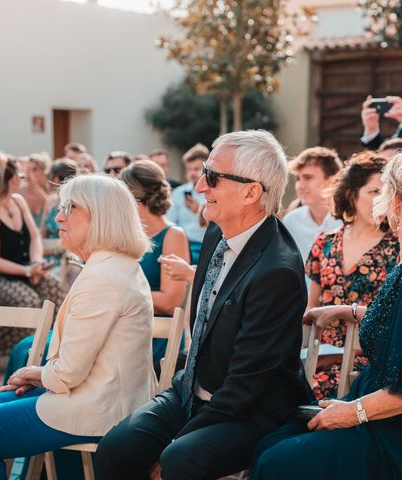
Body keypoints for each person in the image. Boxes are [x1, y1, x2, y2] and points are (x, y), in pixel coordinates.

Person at [96, 130, 313, 480]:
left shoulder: (277, 272)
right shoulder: (218, 230)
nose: (198, 187)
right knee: (116, 450)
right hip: (193, 388)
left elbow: (245, 386)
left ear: (251, 192)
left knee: (179, 459)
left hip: (253, 410)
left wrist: (172, 447)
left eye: (211, 177)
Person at [252, 144, 402, 479]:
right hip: (388, 409)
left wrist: (352, 413)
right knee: (275, 443)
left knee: (278, 462)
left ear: (397, 201)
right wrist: (349, 311)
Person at [0, 174, 155, 480]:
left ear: (100, 216)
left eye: (70, 207)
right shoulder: (118, 265)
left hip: (95, 407)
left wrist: (32, 374)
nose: (58, 216)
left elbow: (68, 373)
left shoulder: (102, 276)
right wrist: (40, 376)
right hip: (97, 394)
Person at [305, 151, 399, 399]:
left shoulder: (400, 247)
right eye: (374, 191)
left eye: (387, 193)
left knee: (315, 390)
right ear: (351, 194)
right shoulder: (325, 242)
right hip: (320, 356)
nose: (382, 200)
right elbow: (311, 306)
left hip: (371, 359)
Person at [0, 152, 66, 378]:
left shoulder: (18, 201)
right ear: (11, 180)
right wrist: (27, 270)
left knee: (55, 291)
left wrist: (36, 263)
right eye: (19, 176)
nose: (21, 180)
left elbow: (34, 239)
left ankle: (50, 351)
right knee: (27, 301)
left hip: (24, 270)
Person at [120, 160, 190, 365]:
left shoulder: (172, 235)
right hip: (124, 327)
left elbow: (170, 302)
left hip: (153, 335)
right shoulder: (126, 235)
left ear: (135, 199)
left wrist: (123, 290)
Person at [282, 146, 343, 264]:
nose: (300, 186)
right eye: (298, 179)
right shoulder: (291, 221)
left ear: (331, 181)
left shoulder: (348, 222)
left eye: (308, 178)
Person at [167, 143, 209, 264]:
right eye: (189, 169)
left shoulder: (212, 193)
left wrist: (198, 211)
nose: (192, 173)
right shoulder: (177, 193)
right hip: (181, 244)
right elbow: (170, 221)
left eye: (196, 169)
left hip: (203, 245)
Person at [20, 153, 50, 227]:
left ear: (43, 172)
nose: (29, 173)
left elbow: (49, 205)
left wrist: (35, 187)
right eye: (27, 169)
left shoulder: (50, 191)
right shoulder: (19, 193)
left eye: (34, 169)